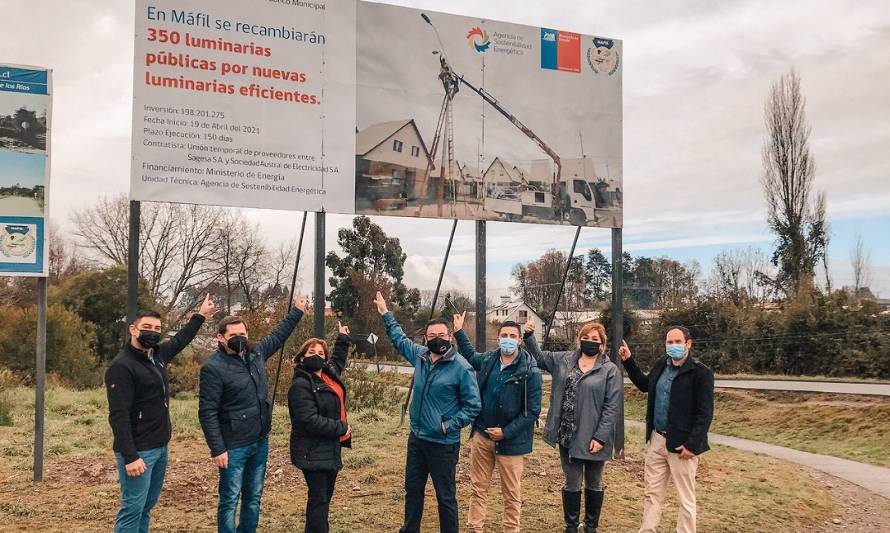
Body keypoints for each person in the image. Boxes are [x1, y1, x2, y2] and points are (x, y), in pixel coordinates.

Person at [105, 294, 215, 533]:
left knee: (146, 506)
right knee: (132, 508)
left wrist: (201, 315)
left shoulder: (156, 356)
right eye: (147, 328)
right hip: (139, 450)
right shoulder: (122, 367)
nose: (152, 332)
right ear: (133, 330)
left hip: (160, 445)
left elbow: (180, 340)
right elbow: (118, 415)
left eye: (157, 329)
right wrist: (131, 456)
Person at [198, 295, 307, 533]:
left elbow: (278, 335)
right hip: (233, 445)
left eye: (243, 334)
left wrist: (297, 311)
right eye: (233, 336)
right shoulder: (213, 369)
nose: (239, 339)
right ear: (221, 338)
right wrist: (217, 448)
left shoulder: (255, 353)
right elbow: (207, 411)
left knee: (254, 497)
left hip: (259, 440)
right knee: (229, 500)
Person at [374, 291, 481, 533]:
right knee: (412, 491)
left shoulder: (461, 368)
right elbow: (399, 339)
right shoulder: (421, 356)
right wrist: (385, 314)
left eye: (441, 335)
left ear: (450, 336)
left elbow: (473, 405)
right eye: (431, 336)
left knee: (445, 497)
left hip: (443, 443)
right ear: (425, 338)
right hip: (417, 439)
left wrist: (447, 425)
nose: (436, 339)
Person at [524, 317, 622, 533]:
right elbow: (539, 359)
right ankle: (570, 526)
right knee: (572, 483)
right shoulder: (564, 360)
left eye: (594, 338)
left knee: (594, 483)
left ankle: (590, 527)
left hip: (595, 437)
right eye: (585, 337)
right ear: (579, 340)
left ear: (602, 344)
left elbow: (611, 407)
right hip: (567, 435)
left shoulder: (610, 370)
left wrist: (601, 437)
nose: (589, 341)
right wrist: (529, 336)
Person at [452, 313, 542, 533]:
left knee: (511, 494)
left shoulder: (530, 371)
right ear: (499, 338)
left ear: (520, 340)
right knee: (478, 489)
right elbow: (471, 355)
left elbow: (532, 412)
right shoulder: (490, 359)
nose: (508, 339)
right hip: (482, 436)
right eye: (504, 335)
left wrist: (506, 432)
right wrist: (458, 331)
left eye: (512, 336)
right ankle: (475, 528)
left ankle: (511, 530)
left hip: (511, 443)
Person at [619, 326, 714, 533]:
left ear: (688, 344)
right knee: (652, 493)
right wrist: (628, 361)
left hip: (682, 446)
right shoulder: (661, 364)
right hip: (657, 440)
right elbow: (645, 385)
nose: (673, 346)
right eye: (669, 342)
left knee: (685, 499)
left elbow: (704, 414)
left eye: (678, 342)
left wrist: (692, 445)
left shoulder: (701, 373)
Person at [288, 322, 353, 533]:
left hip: (330, 448)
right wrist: (341, 428)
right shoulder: (300, 384)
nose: (316, 355)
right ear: (302, 357)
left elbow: (338, 360)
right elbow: (308, 420)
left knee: (324, 498)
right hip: (312, 449)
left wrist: (343, 339)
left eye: (320, 353)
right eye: (311, 352)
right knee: (319, 499)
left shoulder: (327, 374)